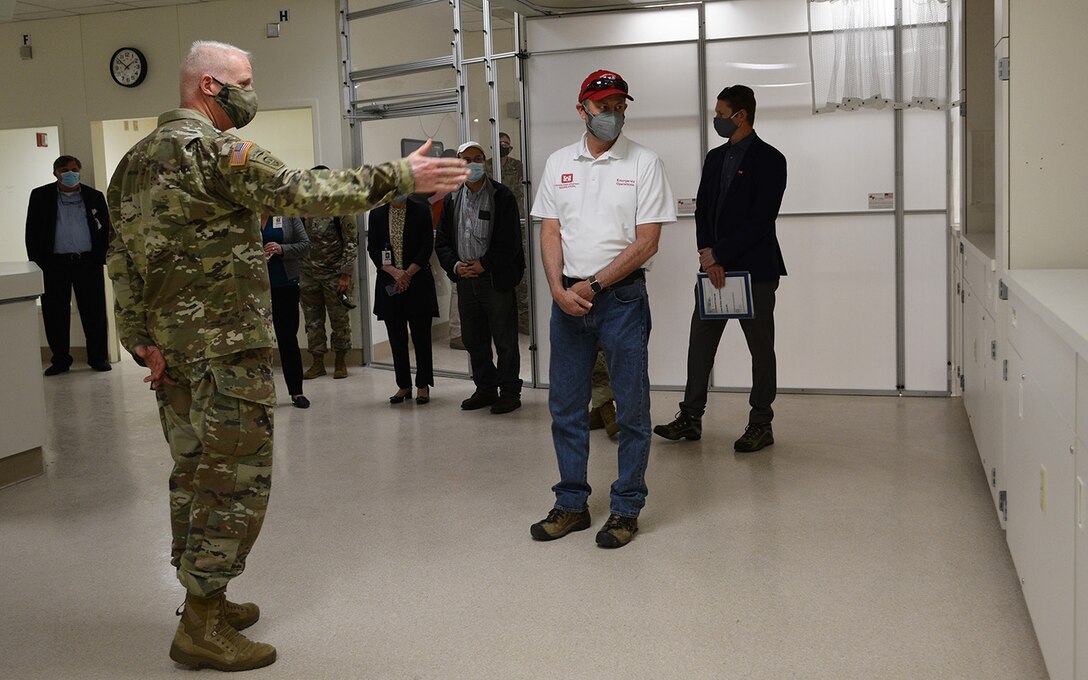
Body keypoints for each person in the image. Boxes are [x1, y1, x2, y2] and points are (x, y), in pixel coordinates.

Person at [106, 40, 467, 672]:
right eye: (244, 81)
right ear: (211, 87)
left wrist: (138, 339)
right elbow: (302, 190)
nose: (252, 91)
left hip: (174, 354)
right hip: (224, 350)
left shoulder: (132, 163)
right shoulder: (213, 151)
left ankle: (206, 599)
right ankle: (199, 624)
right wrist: (398, 178)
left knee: (194, 473)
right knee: (234, 481)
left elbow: (122, 260)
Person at [529, 70, 676, 548]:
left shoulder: (645, 162)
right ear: (582, 110)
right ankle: (571, 503)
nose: (612, 113)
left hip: (621, 300)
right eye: (603, 105)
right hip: (567, 300)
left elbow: (647, 241)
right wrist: (556, 286)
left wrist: (592, 283)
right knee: (566, 407)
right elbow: (550, 230)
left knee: (631, 409)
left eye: (619, 104)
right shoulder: (557, 163)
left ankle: (626, 508)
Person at [653, 84, 787, 453]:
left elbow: (762, 219)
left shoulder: (770, 159)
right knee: (700, 343)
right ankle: (690, 417)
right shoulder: (715, 158)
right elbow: (702, 211)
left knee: (760, 349)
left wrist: (719, 255)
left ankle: (761, 422)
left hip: (755, 271)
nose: (717, 120)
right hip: (714, 270)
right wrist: (706, 252)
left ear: (740, 115)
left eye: (720, 114)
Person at [435, 141, 525, 414]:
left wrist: (484, 265)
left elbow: (509, 242)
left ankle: (509, 392)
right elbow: (442, 242)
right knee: (475, 340)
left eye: (478, 158)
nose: (473, 164)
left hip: (494, 280)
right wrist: (456, 266)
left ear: (485, 162)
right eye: (466, 160)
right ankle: (485, 389)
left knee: (505, 340)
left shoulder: (502, 196)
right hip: (465, 282)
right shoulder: (451, 199)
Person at [25, 155, 112, 375]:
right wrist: (37, 264)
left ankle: (98, 357)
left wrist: (101, 257)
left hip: (87, 262)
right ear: (55, 173)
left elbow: (106, 230)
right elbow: (32, 232)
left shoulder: (94, 196)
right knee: (55, 314)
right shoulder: (40, 196)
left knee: (94, 312)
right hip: (54, 265)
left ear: (80, 170)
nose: (70, 173)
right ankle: (60, 360)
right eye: (64, 170)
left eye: (74, 169)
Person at [367, 195, 439, 405]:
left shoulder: (421, 211)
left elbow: (426, 246)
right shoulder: (377, 214)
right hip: (390, 283)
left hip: (417, 281)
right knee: (397, 339)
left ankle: (423, 386)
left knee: (421, 338)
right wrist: (394, 272)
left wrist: (406, 273)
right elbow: (373, 248)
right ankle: (403, 386)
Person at [300, 165, 359, 381]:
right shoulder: (304, 205)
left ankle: (340, 362)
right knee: (312, 321)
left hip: (335, 274)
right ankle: (317, 363)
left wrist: (346, 275)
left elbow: (351, 242)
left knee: (339, 321)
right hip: (308, 273)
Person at [261, 213, 311, 408]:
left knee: (287, 338)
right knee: (258, 342)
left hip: (285, 285)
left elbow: (305, 245)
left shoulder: (288, 215)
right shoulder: (246, 215)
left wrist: (282, 249)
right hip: (255, 289)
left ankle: (296, 392)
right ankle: (261, 394)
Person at [496, 132, 531, 336]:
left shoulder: (519, 166)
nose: (503, 146)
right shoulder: (487, 167)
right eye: (500, 143)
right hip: (496, 226)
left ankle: (523, 319)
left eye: (506, 144)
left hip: (520, 224)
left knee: (522, 272)